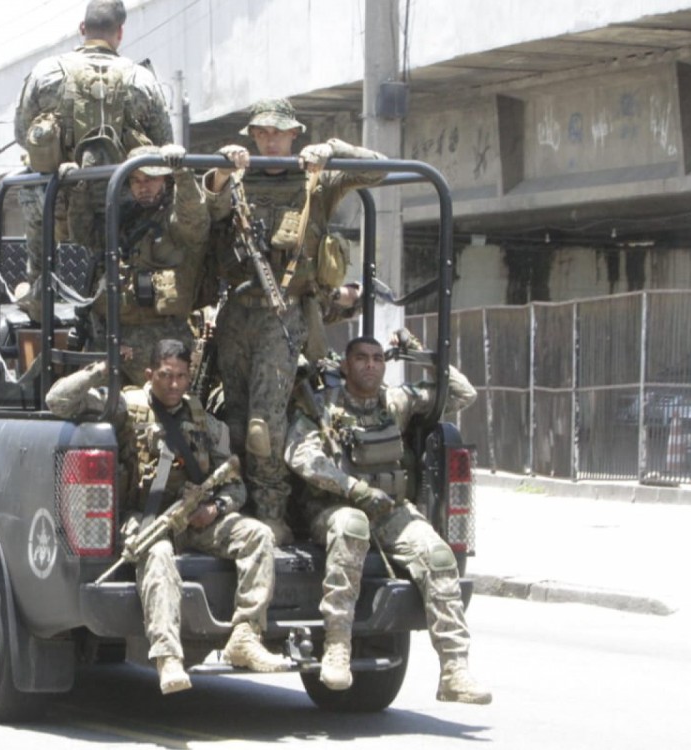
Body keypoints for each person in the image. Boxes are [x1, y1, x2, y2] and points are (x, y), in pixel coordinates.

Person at [47, 339, 289, 694]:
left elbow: (235, 485)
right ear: (150, 374)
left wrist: (215, 509)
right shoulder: (126, 407)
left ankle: (246, 635)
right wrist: (102, 370)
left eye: (180, 376)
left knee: (258, 535)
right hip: (145, 520)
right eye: (165, 376)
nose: (173, 384)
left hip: (194, 521)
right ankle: (167, 657)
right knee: (158, 555)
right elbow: (58, 401)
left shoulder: (201, 419)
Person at [201, 98, 385, 544]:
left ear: (294, 134)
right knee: (239, 422)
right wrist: (222, 171)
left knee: (266, 425)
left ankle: (271, 516)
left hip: (282, 315)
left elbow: (377, 169)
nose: (270, 141)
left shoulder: (316, 182)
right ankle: (241, 508)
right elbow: (206, 206)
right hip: (237, 313)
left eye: (278, 133)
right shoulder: (238, 180)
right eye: (262, 133)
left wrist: (334, 149)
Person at [283, 330, 491, 704]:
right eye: (362, 358)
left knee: (439, 557)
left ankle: (455, 670)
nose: (371, 365)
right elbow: (301, 456)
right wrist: (353, 489)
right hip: (332, 508)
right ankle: (337, 648)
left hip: (389, 510)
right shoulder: (323, 406)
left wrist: (419, 353)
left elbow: (463, 393)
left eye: (378, 359)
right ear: (346, 365)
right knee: (351, 526)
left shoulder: (394, 402)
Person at [12, 0, 174, 320]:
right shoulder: (142, 79)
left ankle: (40, 285)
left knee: (26, 182)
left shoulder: (45, 72)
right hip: (123, 211)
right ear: (120, 33)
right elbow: (164, 143)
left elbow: (22, 134)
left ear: (83, 29)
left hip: (57, 207)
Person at [67, 143, 240, 384]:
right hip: (113, 335)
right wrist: (79, 186)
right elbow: (83, 234)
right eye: (136, 180)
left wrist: (182, 173)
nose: (142, 186)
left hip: (163, 339)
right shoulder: (125, 218)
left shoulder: (175, 218)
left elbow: (195, 221)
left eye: (150, 179)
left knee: (160, 412)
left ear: (166, 181)